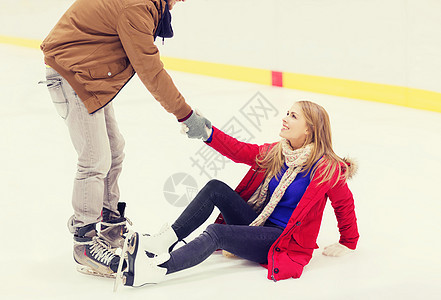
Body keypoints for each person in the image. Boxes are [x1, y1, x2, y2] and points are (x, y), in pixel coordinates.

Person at [39, 0, 210, 277]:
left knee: (114, 150)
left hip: (88, 74)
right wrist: (185, 114)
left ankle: (108, 225)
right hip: (72, 72)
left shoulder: (147, 6)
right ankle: (84, 241)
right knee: (94, 159)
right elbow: (150, 70)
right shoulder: (137, 8)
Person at [119, 100, 360, 286]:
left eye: (293, 116)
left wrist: (348, 242)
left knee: (217, 233)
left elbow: (344, 205)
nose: (285, 118)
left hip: (280, 239)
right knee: (215, 188)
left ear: (310, 129)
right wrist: (207, 133)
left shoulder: (327, 169)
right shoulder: (278, 152)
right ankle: (162, 242)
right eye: (287, 112)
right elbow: (239, 151)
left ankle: (157, 270)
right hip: (258, 224)